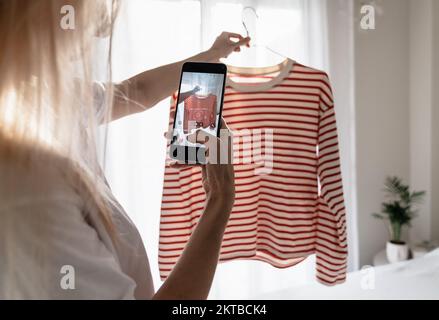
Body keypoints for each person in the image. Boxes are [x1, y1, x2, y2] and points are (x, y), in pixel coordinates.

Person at [0, 0, 250, 299]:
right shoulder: (27, 183)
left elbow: (137, 92)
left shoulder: (51, 98)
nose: (95, 35)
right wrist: (220, 201)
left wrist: (210, 56)